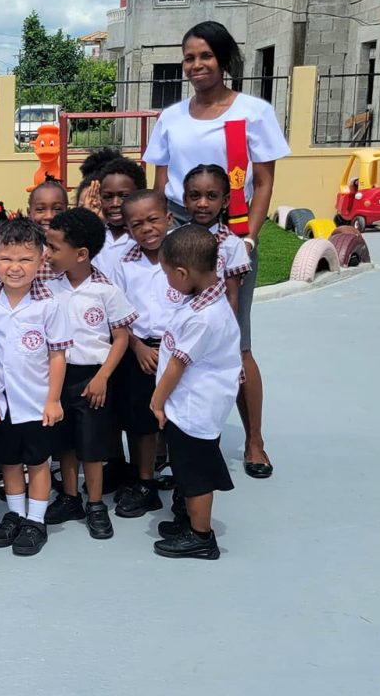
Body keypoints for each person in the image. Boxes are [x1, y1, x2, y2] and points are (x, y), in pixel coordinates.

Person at [144, 20, 290, 479]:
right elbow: (159, 183)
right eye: (189, 57)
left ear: (223, 59)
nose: (196, 65)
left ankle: (253, 440)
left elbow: (263, 181)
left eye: (205, 55)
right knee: (174, 335)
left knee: (235, 340)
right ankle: (174, 434)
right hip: (179, 232)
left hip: (232, 230)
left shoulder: (252, 112)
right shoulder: (170, 116)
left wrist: (249, 237)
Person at [0, 218, 70, 557]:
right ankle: (15, 514)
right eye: (7, 259)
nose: (15, 267)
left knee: (39, 462)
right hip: (2, 403)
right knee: (10, 462)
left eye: (25, 259)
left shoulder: (49, 304)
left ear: (41, 259)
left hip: (37, 402)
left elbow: (58, 355)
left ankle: (36, 520)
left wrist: (53, 399)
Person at [43, 208, 137, 540]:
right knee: (64, 443)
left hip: (93, 379)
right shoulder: (49, 288)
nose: (47, 254)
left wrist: (103, 377)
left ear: (81, 254)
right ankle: (70, 497)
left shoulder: (106, 291)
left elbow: (121, 337)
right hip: (58, 378)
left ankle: (94, 503)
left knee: (92, 446)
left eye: (54, 248)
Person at [149, 225, 241, 560]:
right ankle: (188, 521)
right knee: (186, 469)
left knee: (196, 475)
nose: (167, 282)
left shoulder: (205, 317)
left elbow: (177, 364)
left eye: (167, 275)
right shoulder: (203, 300)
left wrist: (157, 401)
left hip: (195, 408)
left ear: (183, 272)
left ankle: (202, 536)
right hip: (187, 405)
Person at [109, 190, 178, 518]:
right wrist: (136, 346)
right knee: (141, 422)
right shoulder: (125, 264)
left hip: (179, 352)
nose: (146, 228)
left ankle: (185, 483)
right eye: (137, 224)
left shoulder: (183, 256)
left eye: (153, 220)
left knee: (180, 419)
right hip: (142, 351)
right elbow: (119, 313)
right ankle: (145, 482)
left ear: (169, 218)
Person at [182, 164, 253, 310]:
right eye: (195, 196)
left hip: (215, 323)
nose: (202, 203)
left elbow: (232, 295)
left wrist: (228, 331)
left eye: (212, 196)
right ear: (185, 200)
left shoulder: (232, 245)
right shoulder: (173, 239)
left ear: (225, 201)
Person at [95, 157, 144, 279]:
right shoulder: (94, 236)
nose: (115, 203)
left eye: (124, 196)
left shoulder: (146, 238)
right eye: (107, 197)